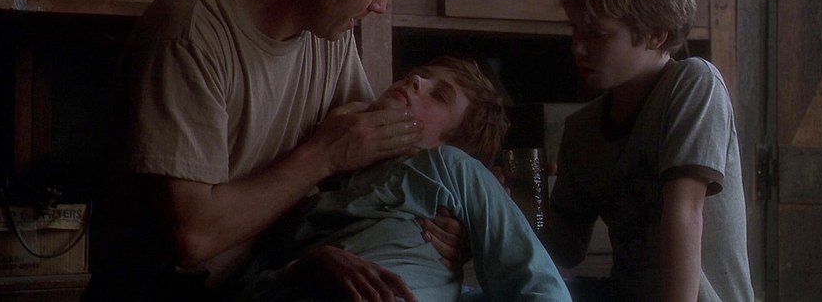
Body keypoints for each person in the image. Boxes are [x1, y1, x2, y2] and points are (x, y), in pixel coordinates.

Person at [83, 0, 468, 302]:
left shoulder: (329, 33)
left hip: (267, 277)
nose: (381, 5)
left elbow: (377, 160)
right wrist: (323, 155)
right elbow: (194, 238)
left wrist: (454, 221)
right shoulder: (188, 35)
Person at [233, 56, 571, 301]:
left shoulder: (451, 167)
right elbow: (249, 285)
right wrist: (304, 266)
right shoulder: (319, 188)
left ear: (451, 143)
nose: (416, 81)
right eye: (417, 75)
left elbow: (539, 284)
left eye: (439, 95)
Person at [547, 0, 754, 301]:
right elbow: (564, 249)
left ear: (657, 34)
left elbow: (685, 212)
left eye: (597, 34)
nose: (577, 47)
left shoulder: (693, 85)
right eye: (573, 29)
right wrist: (511, 201)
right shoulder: (582, 129)